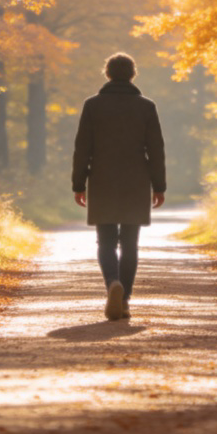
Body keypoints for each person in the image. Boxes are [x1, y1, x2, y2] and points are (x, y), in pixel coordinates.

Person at [72, 52, 166, 321]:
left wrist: (79, 184)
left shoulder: (92, 105)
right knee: (130, 243)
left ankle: (112, 282)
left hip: (101, 180)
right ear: (132, 74)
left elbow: (82, 148)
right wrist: (159, 186)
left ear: (108, 74)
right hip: (136, 181)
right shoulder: (147, 107)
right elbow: (156, 150)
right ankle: (124, 301)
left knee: (106, 241)